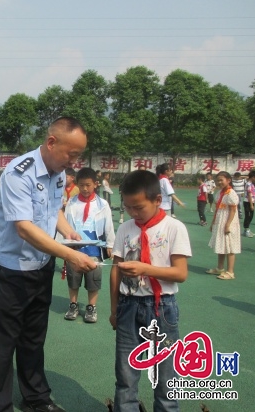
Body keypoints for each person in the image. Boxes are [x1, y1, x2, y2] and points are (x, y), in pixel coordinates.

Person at [0, 117, 97, 412]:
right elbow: (24, 227)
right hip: (13, 269)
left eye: (78, 156)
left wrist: (68, 231)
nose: (74, 162)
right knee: (4, 341)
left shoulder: (58, 173)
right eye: (72, 154)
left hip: (42, 264)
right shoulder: (18, 173)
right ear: (51, 142)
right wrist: (69, 255)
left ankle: (36, 398)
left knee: (34, 337)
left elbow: (52, 210)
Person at [109, 169, 191, 412]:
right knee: (125, 376)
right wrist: (114, 309)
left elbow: (180, 273)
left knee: (165, 378)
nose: (133, 213)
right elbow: (116, 270)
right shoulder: (125, 229)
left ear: (157, 200)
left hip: (162, 308)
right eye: (128, 207)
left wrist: (146, 268)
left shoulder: (174, 228)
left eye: (139, 207)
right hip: (128, 306)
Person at [63, 168, 115, 323]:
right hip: (75, 248)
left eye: (88, 185)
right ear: (77, 184)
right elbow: (64, 223)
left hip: (95, 249)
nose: (85, 189)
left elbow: (108, 225)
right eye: (81, 185)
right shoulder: (71, 202)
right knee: (73, 278)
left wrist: (111, 244)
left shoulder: (102, 204)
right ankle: (73, 305)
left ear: (96, 184)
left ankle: (91, 307)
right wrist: (62, 244)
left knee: (94, 279)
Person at [205, 171, 240, 281]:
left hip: (228, 223)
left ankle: (230, 272)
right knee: (221, 245)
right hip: (220, 221)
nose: (219, 182)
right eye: (218, 180)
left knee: (230, 246)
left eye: (221, 180)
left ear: (228, 180)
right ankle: (220, 268)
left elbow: (233, 210)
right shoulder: (220, 193)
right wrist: (213, 223)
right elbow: (218, 209)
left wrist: (228, 225)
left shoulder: (231, 193)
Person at [242, 170, 255, 238]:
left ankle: (247, 230)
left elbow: (253, 195)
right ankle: (246, 230)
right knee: (248, 216)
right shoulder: (248, 184)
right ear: (252, 177)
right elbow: (249, 195)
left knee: (251, 216)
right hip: (247, 202)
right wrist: (251, 205)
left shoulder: (252, 184)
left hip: (251, 201)